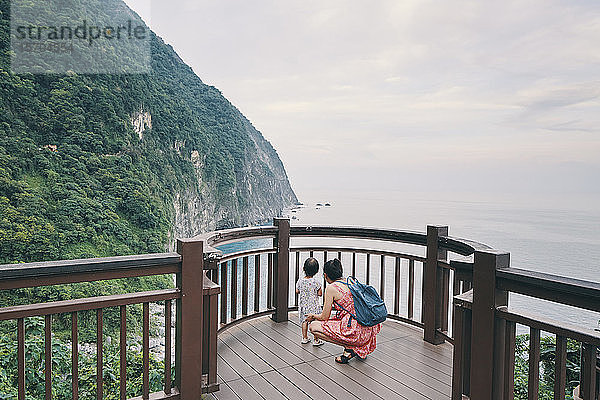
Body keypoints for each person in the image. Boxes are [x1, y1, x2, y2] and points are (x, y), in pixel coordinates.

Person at [306, 258, 381, 363]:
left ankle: (350, 347)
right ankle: (355, 348)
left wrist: (313, 316)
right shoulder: (351, 281)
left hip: (354, 331)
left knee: (313, 327)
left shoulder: (331, 288)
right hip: (368, 328)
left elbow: (324, 317)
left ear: (325, 275)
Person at [295, 257, 324, 345]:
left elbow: (297, 291)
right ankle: (316, 340)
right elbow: (320, 294)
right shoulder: (316, 282)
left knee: (305, 322)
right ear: (316, 270)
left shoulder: (300, 281)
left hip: (304, 306)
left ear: (304, 269)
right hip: (314, 307)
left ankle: (304, 338)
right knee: (315, 322)